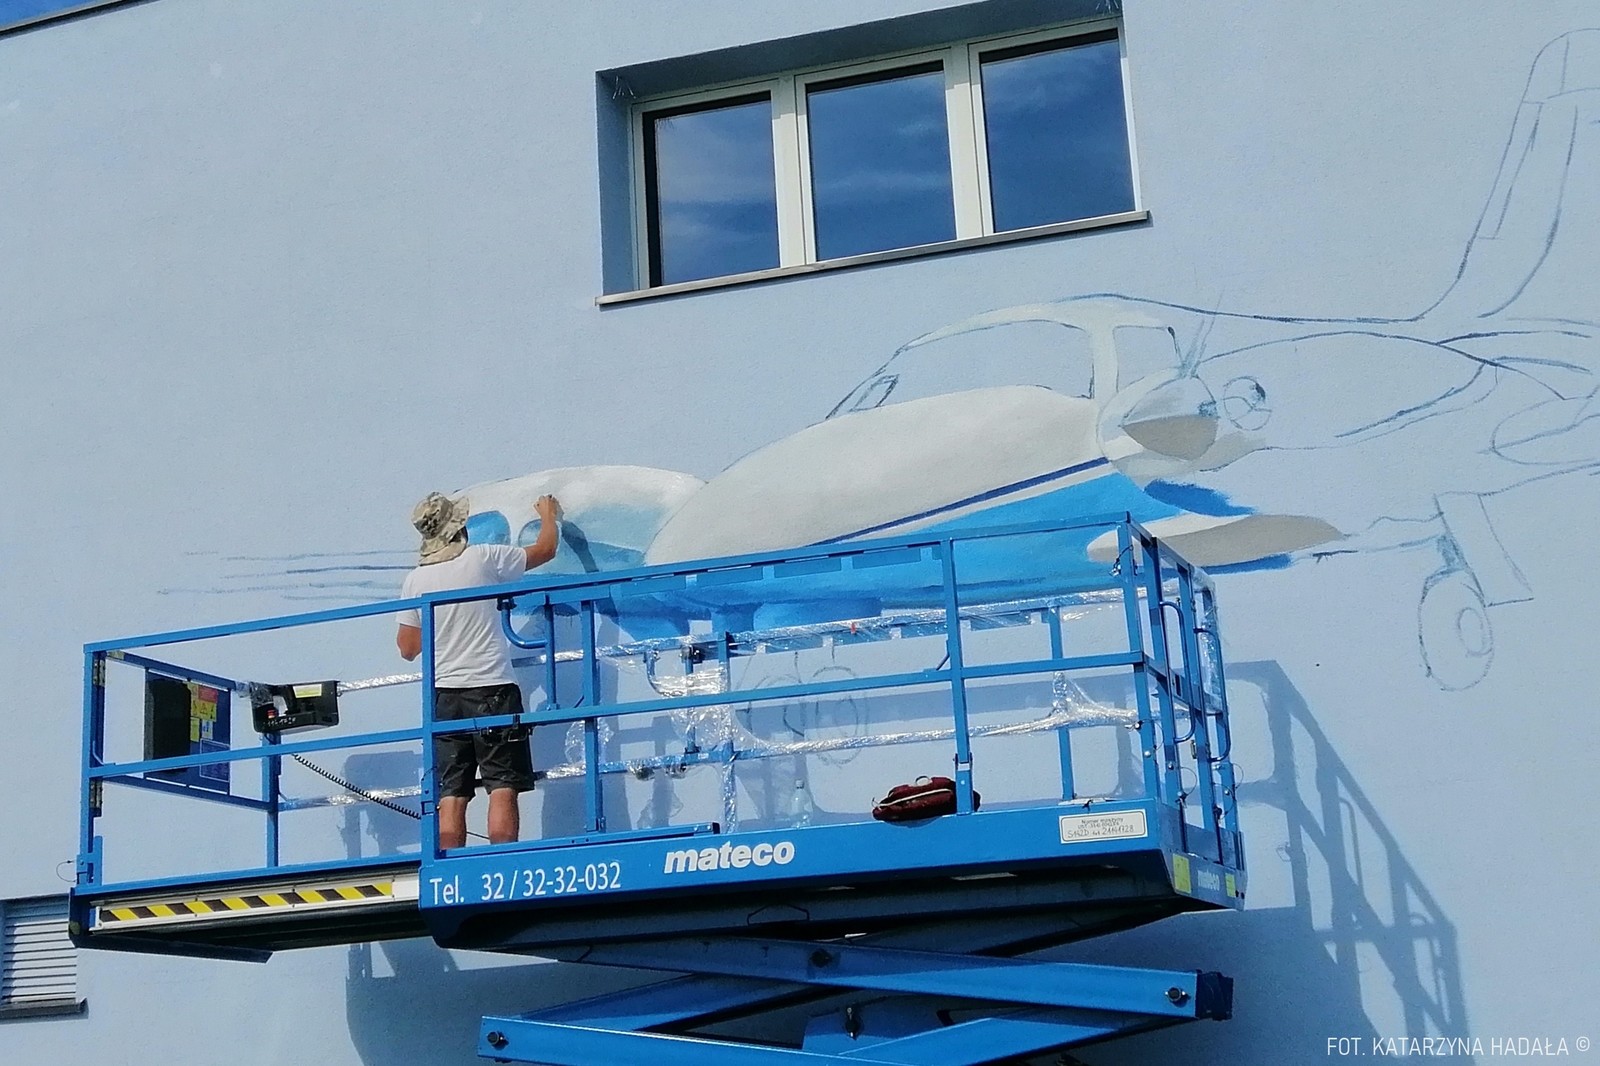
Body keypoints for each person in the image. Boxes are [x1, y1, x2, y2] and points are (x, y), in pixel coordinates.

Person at [396, 491, 562, 849]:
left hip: (445, 698)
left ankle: (451, 867)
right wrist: (548, 515)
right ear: (459, 529)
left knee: (452, 793)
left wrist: (443, 622)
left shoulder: (415, 581)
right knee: (502, 785)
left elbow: (407, 648)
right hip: (493, 688)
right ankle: (501, 860)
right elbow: (546, 549)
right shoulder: (483, 558)